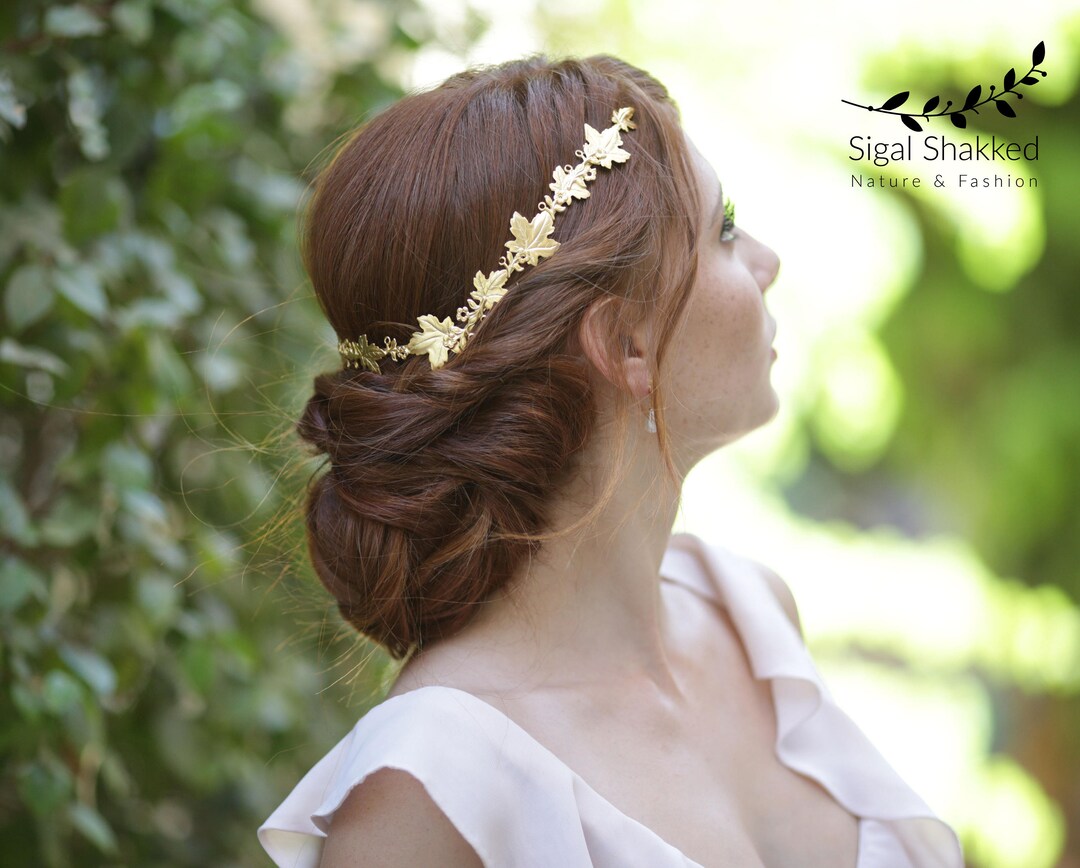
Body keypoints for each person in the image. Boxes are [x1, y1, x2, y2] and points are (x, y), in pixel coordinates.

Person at [258, 54, 964, 868]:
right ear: (624, 341)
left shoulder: (749, 618)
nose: (768, 261)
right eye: (724, 229)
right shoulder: (427, 791)